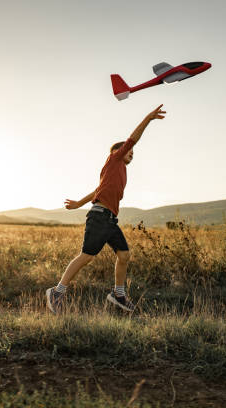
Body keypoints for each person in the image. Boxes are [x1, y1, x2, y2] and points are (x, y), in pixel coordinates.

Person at [46, 104, 166, 313]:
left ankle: (119, 295)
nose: (131, 154)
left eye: (133, 154)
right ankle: (57, 292)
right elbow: (134, 138)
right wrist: (148, 118)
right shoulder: (114, 159)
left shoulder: (118, 171)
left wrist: (77, 204)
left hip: (110, 220)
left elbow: (97, 191)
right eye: (128, 151)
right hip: (100, 217)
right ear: (117, 151)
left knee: (124, 255)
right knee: (87, 256)